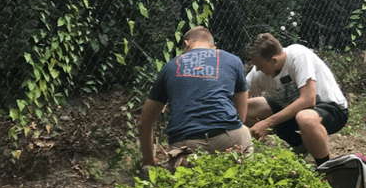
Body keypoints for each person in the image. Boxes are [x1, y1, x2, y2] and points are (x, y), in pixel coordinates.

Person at [138, 26, 251, 172]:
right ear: (213, 47)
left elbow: (144, 123)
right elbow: (241, 116)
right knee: (244, 132)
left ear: (185, 44)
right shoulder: (234, 61)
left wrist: (149, 160)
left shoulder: (170, 67)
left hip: (186, 145)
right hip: (228, 140)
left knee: (182, 181)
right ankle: (244, 174)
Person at [244, 33, 349, 167]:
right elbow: (240, 96)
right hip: (293, 109)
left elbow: (307, 100)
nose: (257, 69)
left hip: (331, 109)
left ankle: (325, 167)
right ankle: (298, 143)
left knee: (305, 118)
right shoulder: (259, 71)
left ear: (274, 60)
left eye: (261, 66)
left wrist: (267, 123)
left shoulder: (298, 55)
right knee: (243, 107)